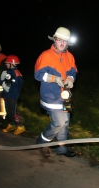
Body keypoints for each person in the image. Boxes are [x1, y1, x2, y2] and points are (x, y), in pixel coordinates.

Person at [34, 27, 78, 158]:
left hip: (65, 96)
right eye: (60, 40)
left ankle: (62, 149)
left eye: (65, 41)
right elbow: (38, 75)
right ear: (55, 40)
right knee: (59, 122)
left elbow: (73, 71)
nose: (62, 43)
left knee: (65, 123)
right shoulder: (46, 55)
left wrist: (70, 79)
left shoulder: (69, 56)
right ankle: (41, 142)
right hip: (51, 96)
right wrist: (54, 79)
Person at [0, 55, 26, 135]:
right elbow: (4, 82)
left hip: (13, 96)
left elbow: (17, 86)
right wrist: (3, 81)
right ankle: (11, 124)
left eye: (7, 63)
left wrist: (8, 88)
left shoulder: (16, 73)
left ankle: (20, 126)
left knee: (14, 112)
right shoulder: (7, 72)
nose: (6, 64)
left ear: (12, 64)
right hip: (7, 95)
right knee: (9, 111)